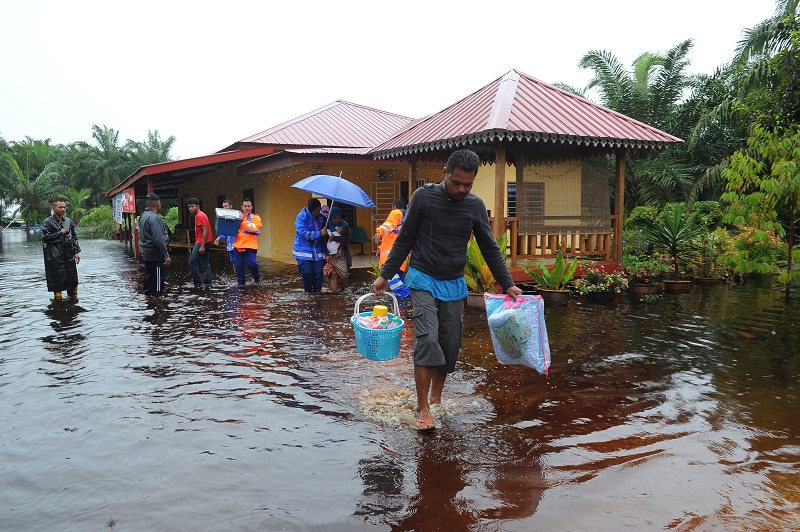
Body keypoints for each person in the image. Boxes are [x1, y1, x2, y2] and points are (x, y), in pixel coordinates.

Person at [371, 149, 522, 431]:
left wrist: (508, 282)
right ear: (444, 174)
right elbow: (405, 239)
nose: (462, 189)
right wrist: (385, 275)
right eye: (456, 183)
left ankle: (436, 398)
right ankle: (422, 406)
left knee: (450, 345)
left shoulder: (474, 206)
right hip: (423, 277)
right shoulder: (424, 198)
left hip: (454, 283)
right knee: (428, 339)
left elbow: (489, 246)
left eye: (468, 185)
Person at [41, 198, 81, 300]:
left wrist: (76, 252)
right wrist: (60, 233)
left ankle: (73, 304)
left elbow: (74, 237)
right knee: (57, 280)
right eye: (60, 207)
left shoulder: (68, 221)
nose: (63, 209)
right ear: (53, 208)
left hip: (69, 255)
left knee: (72, 279)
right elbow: (45, 238)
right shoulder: (47, 222)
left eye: (64, 207)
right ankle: (58, 307)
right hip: (55, 256)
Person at [374, 197, 410, 298]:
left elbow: (389, 225)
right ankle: (402, 307)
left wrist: (379, 232)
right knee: (398, 281)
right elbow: (392, 235)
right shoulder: (405, 217)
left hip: (390, 257)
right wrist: (380, 248)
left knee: (391, 278)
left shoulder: (396, 213)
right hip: (400, 257)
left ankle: (407, 297)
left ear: (394, 206)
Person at [138, 193, 171, 298]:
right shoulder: (154, 218)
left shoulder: (143, 216)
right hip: (155, 254)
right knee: (157, 282)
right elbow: (158, 239)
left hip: (146, 252)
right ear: (158, 204)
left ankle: (148, 301)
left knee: (148, 277)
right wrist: (166, 255)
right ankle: (157, 305)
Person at [292, 198, 328, 292]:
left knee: (318, 273)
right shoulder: (301, 217)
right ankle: (308, 293)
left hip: (317, 251)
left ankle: (317, 293)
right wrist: (319, 233)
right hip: (303, 251)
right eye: (317, 210)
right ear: (313, 210)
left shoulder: (321, 217)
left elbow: (330, 224)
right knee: (307, 273)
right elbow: (303, 233)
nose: (319, 212)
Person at [231, 198, 262, 285]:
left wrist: (242, 221)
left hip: (250, 245)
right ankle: (241, 284)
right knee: (238, 266)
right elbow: (229, 228)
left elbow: (254, 228)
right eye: (245, 206)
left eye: (249, 206)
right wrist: (221, 236)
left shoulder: (256, 217)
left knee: (252, 264)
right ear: (242, 207)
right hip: (238, 245)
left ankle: (256, 277)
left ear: (251, 207)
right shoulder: (237, 216)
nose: (247, 208)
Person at [323, 206, 351, 293]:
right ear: (331, 217)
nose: (337, 220)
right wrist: (326, 254)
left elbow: (347, 239)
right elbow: (323, 241)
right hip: (331, 255)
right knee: (333, 275)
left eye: (339, 218)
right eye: (334, 218)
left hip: (341, 254)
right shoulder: (327, 225)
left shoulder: (345, 225)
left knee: (343, 276)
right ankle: (334, 295)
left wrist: (335, 238)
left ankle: (343, 291)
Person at [187, 198, 213, 288]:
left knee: (192, 262)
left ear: (198, 206)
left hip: (201, 242)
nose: (190, 208)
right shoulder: (201, 214)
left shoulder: (199, 216)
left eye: (192, 206)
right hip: (207, 241)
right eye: (189, 207)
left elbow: (205, 230)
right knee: (205, 263)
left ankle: (197, 283)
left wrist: (202, 246)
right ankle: (208, 283)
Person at [213, 199, 238, 269]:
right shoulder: (224, 217)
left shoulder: (237, 215)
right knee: (233, 261)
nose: (224, 208)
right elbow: (225, 231)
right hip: (230, 244)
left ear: (231, 206)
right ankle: (237, 277)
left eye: (226, 206)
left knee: (238, 261)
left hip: (238, 243)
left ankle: (240, 277)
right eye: (223, 206)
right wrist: (219, 238)